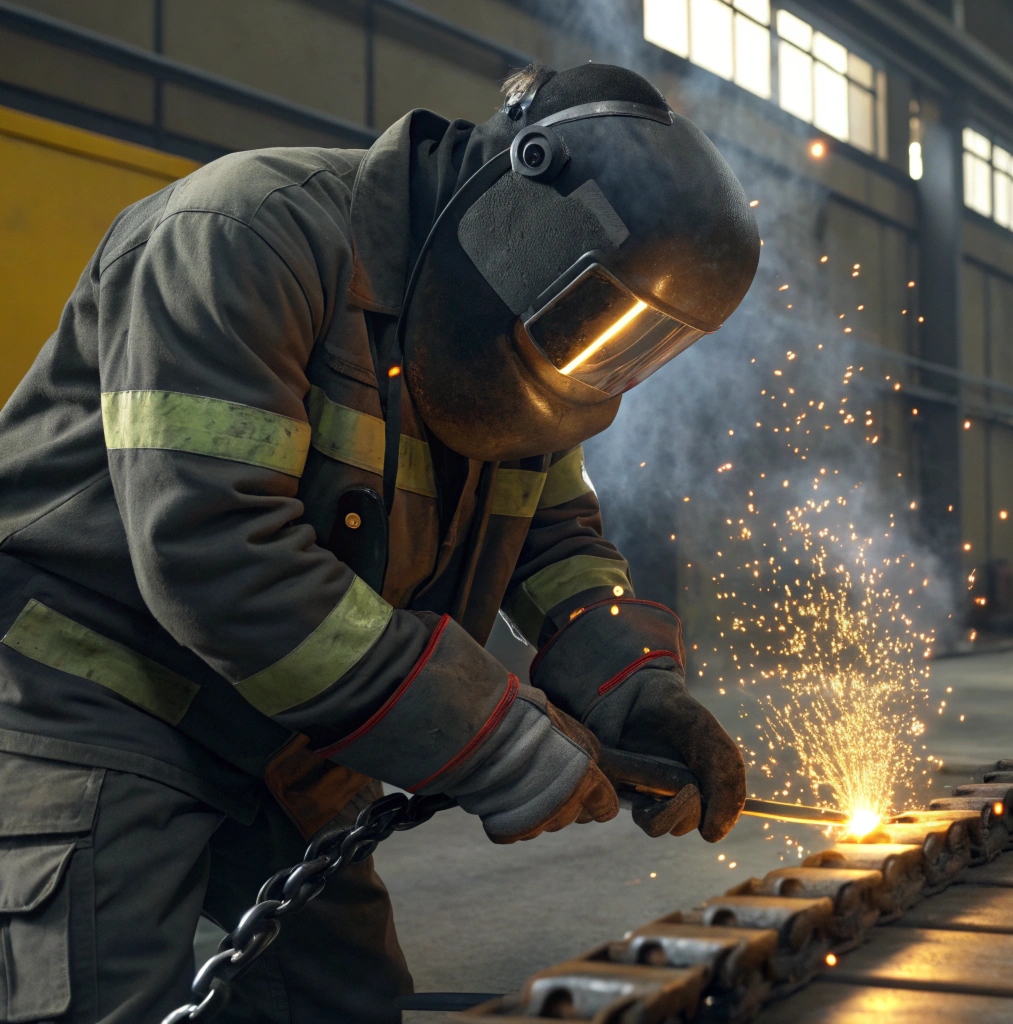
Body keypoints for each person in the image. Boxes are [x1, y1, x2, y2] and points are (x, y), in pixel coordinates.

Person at [0, 62, 756, 1023]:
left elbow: (556, 546)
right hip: (100, 705)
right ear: (523, 220)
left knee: (342, 1001)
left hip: (294, 732)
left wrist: (636, 687)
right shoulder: (241, 237)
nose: (601, 354)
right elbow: (218, 559)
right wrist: (490, 736)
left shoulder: (521, 358)